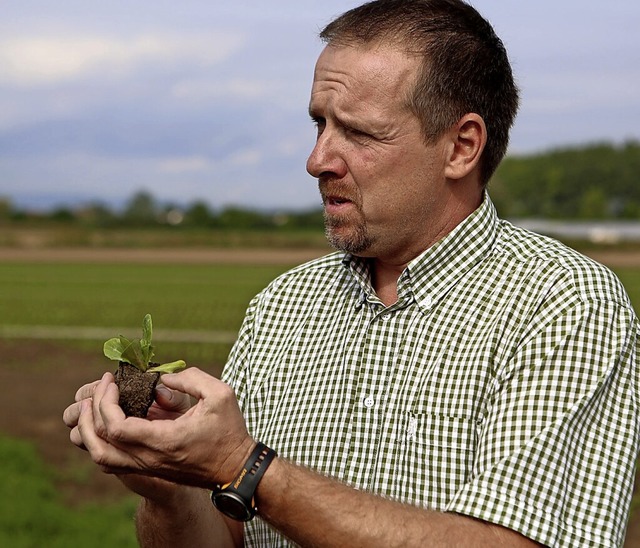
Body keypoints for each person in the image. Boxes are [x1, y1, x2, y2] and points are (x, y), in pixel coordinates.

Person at [63, 0, 639, 546]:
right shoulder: (285, 303)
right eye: (320, 124)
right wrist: (169, 486)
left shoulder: (564, 304)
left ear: (462, 147)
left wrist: (243, 465)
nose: (318, 160)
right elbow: (224, 537)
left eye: (359, 133)